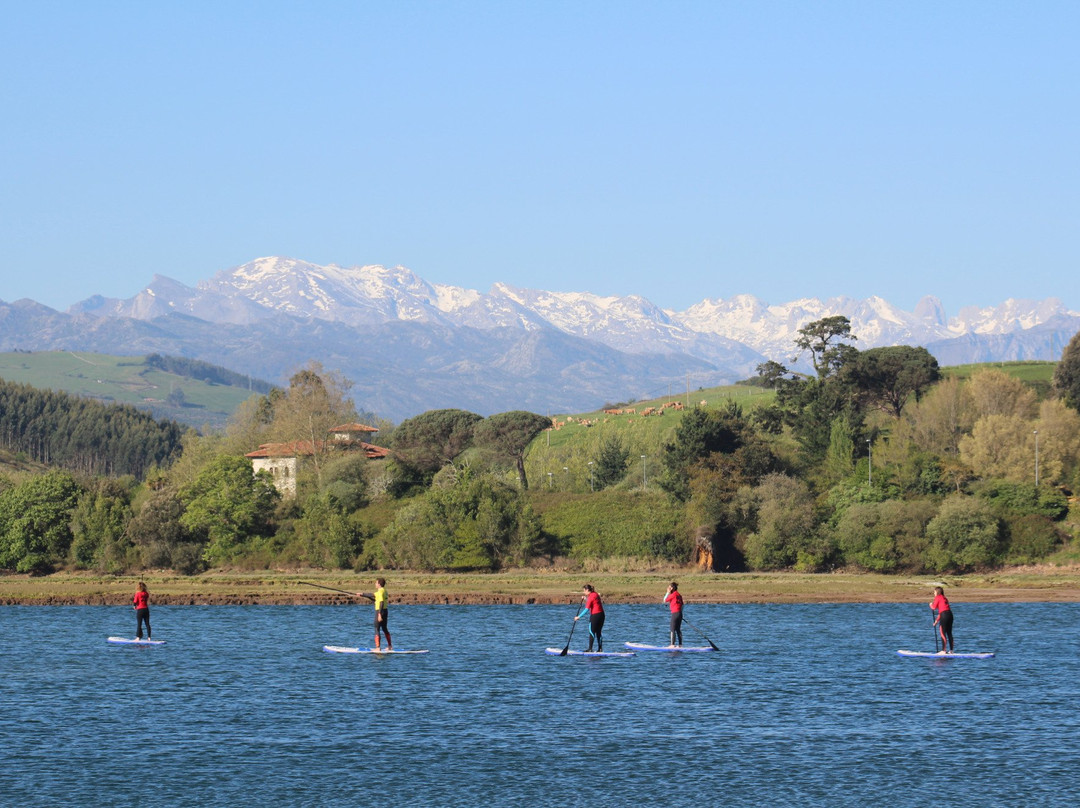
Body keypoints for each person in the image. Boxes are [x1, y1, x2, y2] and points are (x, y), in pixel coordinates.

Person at [358, 577, 392, 651]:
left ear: (379, 584)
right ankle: (390, 646)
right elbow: (374, 598)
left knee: (377, 628)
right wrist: (362, 595)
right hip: (385, 611)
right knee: (384, 628)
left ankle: (378, 648)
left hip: (380, 611)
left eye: (376, 583)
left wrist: (379, 614)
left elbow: (381, 602)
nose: (375, 584)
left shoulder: (380, 592)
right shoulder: (384, 591)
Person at [574, 584, 605, 652]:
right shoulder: (595, 594)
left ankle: (590, 649)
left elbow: (586, 609)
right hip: (601, 615)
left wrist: (578, 617)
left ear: (587, 590)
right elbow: (593, 602)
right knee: (598, 632)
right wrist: (586, 599)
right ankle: (600, 649)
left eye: (584, 591)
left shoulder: (591, 597)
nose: (584, 592)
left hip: (595, 616)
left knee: (591, 631)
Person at [930, 585, 953, 653]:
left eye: (934, 592)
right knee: (949, 633)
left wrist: (930, 605)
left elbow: (934, 607)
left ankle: (943, 650)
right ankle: (951, 650)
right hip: (950, 615)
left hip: (944, 615)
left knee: (942, 632)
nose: (934, 593)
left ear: (937, 592)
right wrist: (936, 621)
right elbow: (943, 611)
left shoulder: (938, 597)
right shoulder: (945, 598)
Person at [664, 582, 684, 647]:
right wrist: (680, 613)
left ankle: (672, 645)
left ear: (672, 588)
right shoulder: (679, 595)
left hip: (675, 613)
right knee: (678, 629)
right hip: (680, 613)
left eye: (669, 587)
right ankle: (680, 645)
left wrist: (667, 592)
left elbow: (665, 600)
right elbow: (682, 605)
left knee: (672, 629)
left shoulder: (673, 595)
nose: (668, 588)